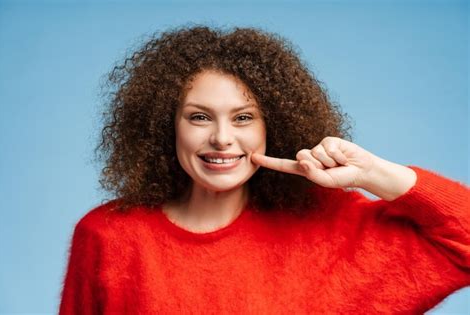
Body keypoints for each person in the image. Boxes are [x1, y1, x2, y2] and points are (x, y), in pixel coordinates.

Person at [59, 25, 469, 314]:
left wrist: (372, 172)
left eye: (243, 118)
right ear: (166, 125)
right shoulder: (108, 236)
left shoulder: (329, 230)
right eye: (199, 117)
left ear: (273, 127)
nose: (222, 138)